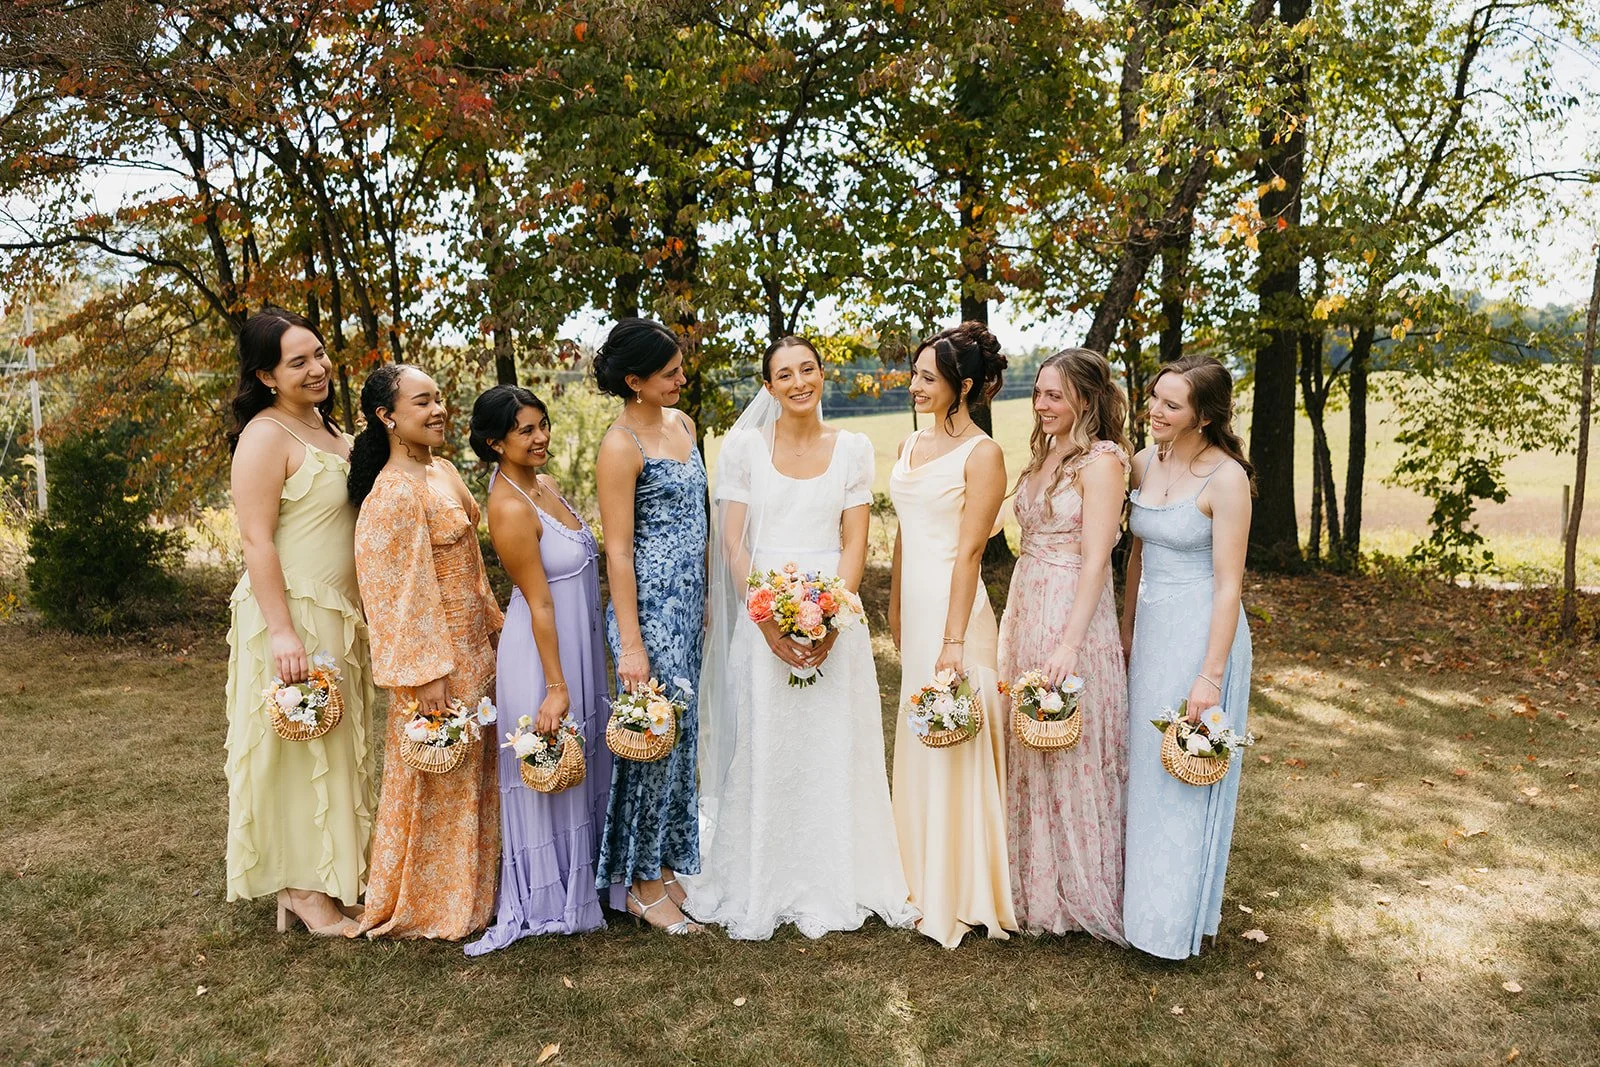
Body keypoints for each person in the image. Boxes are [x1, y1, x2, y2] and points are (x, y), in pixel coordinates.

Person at [683, 337, 917, 940]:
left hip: (833, 607)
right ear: (768, 388)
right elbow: (733, 542)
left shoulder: (854, 450)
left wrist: (833, 616)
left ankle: (841, 872)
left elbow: (854, 541)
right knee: (770, 743)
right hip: (763, 604)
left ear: (823, 374)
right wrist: (764, 618)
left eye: (807, 369)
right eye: (782, 375)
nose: (797, 382)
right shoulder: (743, 450)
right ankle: (765, 875)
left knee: (835, 742)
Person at [224, 308, 375, 936]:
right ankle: (302, 891)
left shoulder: (325, 427)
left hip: (339, 611)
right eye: (298, 361)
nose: (317, 368)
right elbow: (257, 540)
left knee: (338, 749)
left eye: (318, 353)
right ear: (266, 374)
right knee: (296, 752)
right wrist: (283, 631)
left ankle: (334, 878)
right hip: (291, 611)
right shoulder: (265, 435)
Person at [348, 363, 504, 941]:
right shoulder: (391, 494)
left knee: (476, 774)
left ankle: (476, 888)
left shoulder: (442, 471)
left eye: (439, 398)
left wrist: (497, 629)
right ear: (388, 417)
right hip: (436, 658)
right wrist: (426, 676)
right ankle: (431, 900)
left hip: (474, 644)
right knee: (439, 779)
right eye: (422, 402)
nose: (438, 410)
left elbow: (471, 570)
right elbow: (395, 595)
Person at [464, 386, 613, 953]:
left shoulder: (544, 484)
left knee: (581, 761)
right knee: (552, 766)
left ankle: (590, 880)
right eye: (525, 431)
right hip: (542, 652)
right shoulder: (507, 505)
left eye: (542, 425)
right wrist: (556, 686)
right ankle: (551, 897)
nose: (541, 436)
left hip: (575, 643)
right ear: (494, 442)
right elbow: (540, 601)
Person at [888, 321, 1019, 949]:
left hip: (956, 611)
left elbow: (969, 554)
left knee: (956, 732)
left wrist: (952, 640)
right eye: (914, 374)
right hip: (914, 608)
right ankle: (915, 872)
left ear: (962, 387)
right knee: (921, 733)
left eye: (927, 378)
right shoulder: (910, 445)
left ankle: (962, 887)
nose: (914, 386)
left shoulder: (983, 454)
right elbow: (905, 533)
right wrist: (892, 607)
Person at [1121, 354, 1254, 959]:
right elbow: (1137, 559)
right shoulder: (1145, 461)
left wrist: (1210, 677)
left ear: (1202, 416)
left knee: (1184, 773)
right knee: (1145, 767)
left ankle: (1170, 925)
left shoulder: (1226, 479)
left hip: (1203, 632)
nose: (1155, 410)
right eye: (1155, 398)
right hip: (1149, 628)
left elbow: (1229, 584)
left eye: (1172, 405)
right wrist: (1124, 632)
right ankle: (1135, 908)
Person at [998, 348, 1131, 944]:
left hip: (1074, 611)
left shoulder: (1102, 462)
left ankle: (1078, 891)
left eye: (1054, 394)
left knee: (1072, 745)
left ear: (1085, 398)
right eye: (1039, 393)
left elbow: (1098, 559)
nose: (1042, 404)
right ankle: (1033, 889)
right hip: (1028, 602)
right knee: (1031, 742)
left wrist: (1071, 644)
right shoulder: (1046, 452)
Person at [592, 318, 708, 934]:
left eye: (679, 367)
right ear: (634, 382)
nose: (680, 379)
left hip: (689, 605)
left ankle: (664, 863)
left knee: (679, 738)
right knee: (650, 738)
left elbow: (700, 519)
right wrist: (631, 645)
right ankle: (638, 882)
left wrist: (708, 598)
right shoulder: (619, 445)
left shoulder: (683, 426)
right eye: (668, 374)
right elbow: (617, 552)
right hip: (649, 608)